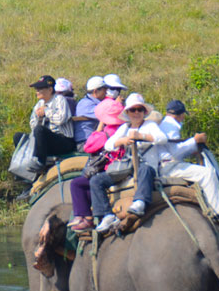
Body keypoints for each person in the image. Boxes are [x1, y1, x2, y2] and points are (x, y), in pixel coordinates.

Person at [91, 93, 168, 233]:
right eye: (133, 110)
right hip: (125, 169)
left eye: (140, 109)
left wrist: (141, 137)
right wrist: (122, 141)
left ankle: (140, 201)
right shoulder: (124, 128)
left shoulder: (150, 125)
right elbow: (108, 145)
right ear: (127, 112)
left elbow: (162, 138)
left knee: (145, 169)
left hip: (145, 167)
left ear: (144, 112)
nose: (136, 113)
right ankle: (107, 215)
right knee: (96, 181)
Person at [159, 100, 219, 223]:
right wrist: (194, 140)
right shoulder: (170, 126)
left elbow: (175, 150)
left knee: (202, 172)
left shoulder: (166, 124)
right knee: (207, 173)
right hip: (169, 167)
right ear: (181, 115)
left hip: (169, 164)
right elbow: (175, 153)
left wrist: (193, 146)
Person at [68, 98, 126, 232]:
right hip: (122, 166)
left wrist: (100, 126)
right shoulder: (122, 129)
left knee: (77, 184)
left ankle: (86, 218)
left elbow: (88, 146)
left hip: (109, 170)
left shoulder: (106, 133)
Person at [27, 75, 75, 169]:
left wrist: (46, 112)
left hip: (64, 140)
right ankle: (21, 165)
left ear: (49, 89)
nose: (37, 91)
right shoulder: (39, 104)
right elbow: (32, 124)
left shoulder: (60, 100)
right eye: (36, 89)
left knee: (40, 130)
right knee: (18, 136)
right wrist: (38, 117)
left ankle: (40, 162)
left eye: (40, 88)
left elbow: (61, 119)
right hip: (46, 140)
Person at [73, 76, 107, 151]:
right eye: (104, 89)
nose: (106, 92)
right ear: (95, 91)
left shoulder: (94, 103)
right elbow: (107, 114)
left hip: (94, 140)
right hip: (85, 142)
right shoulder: (85, 104)